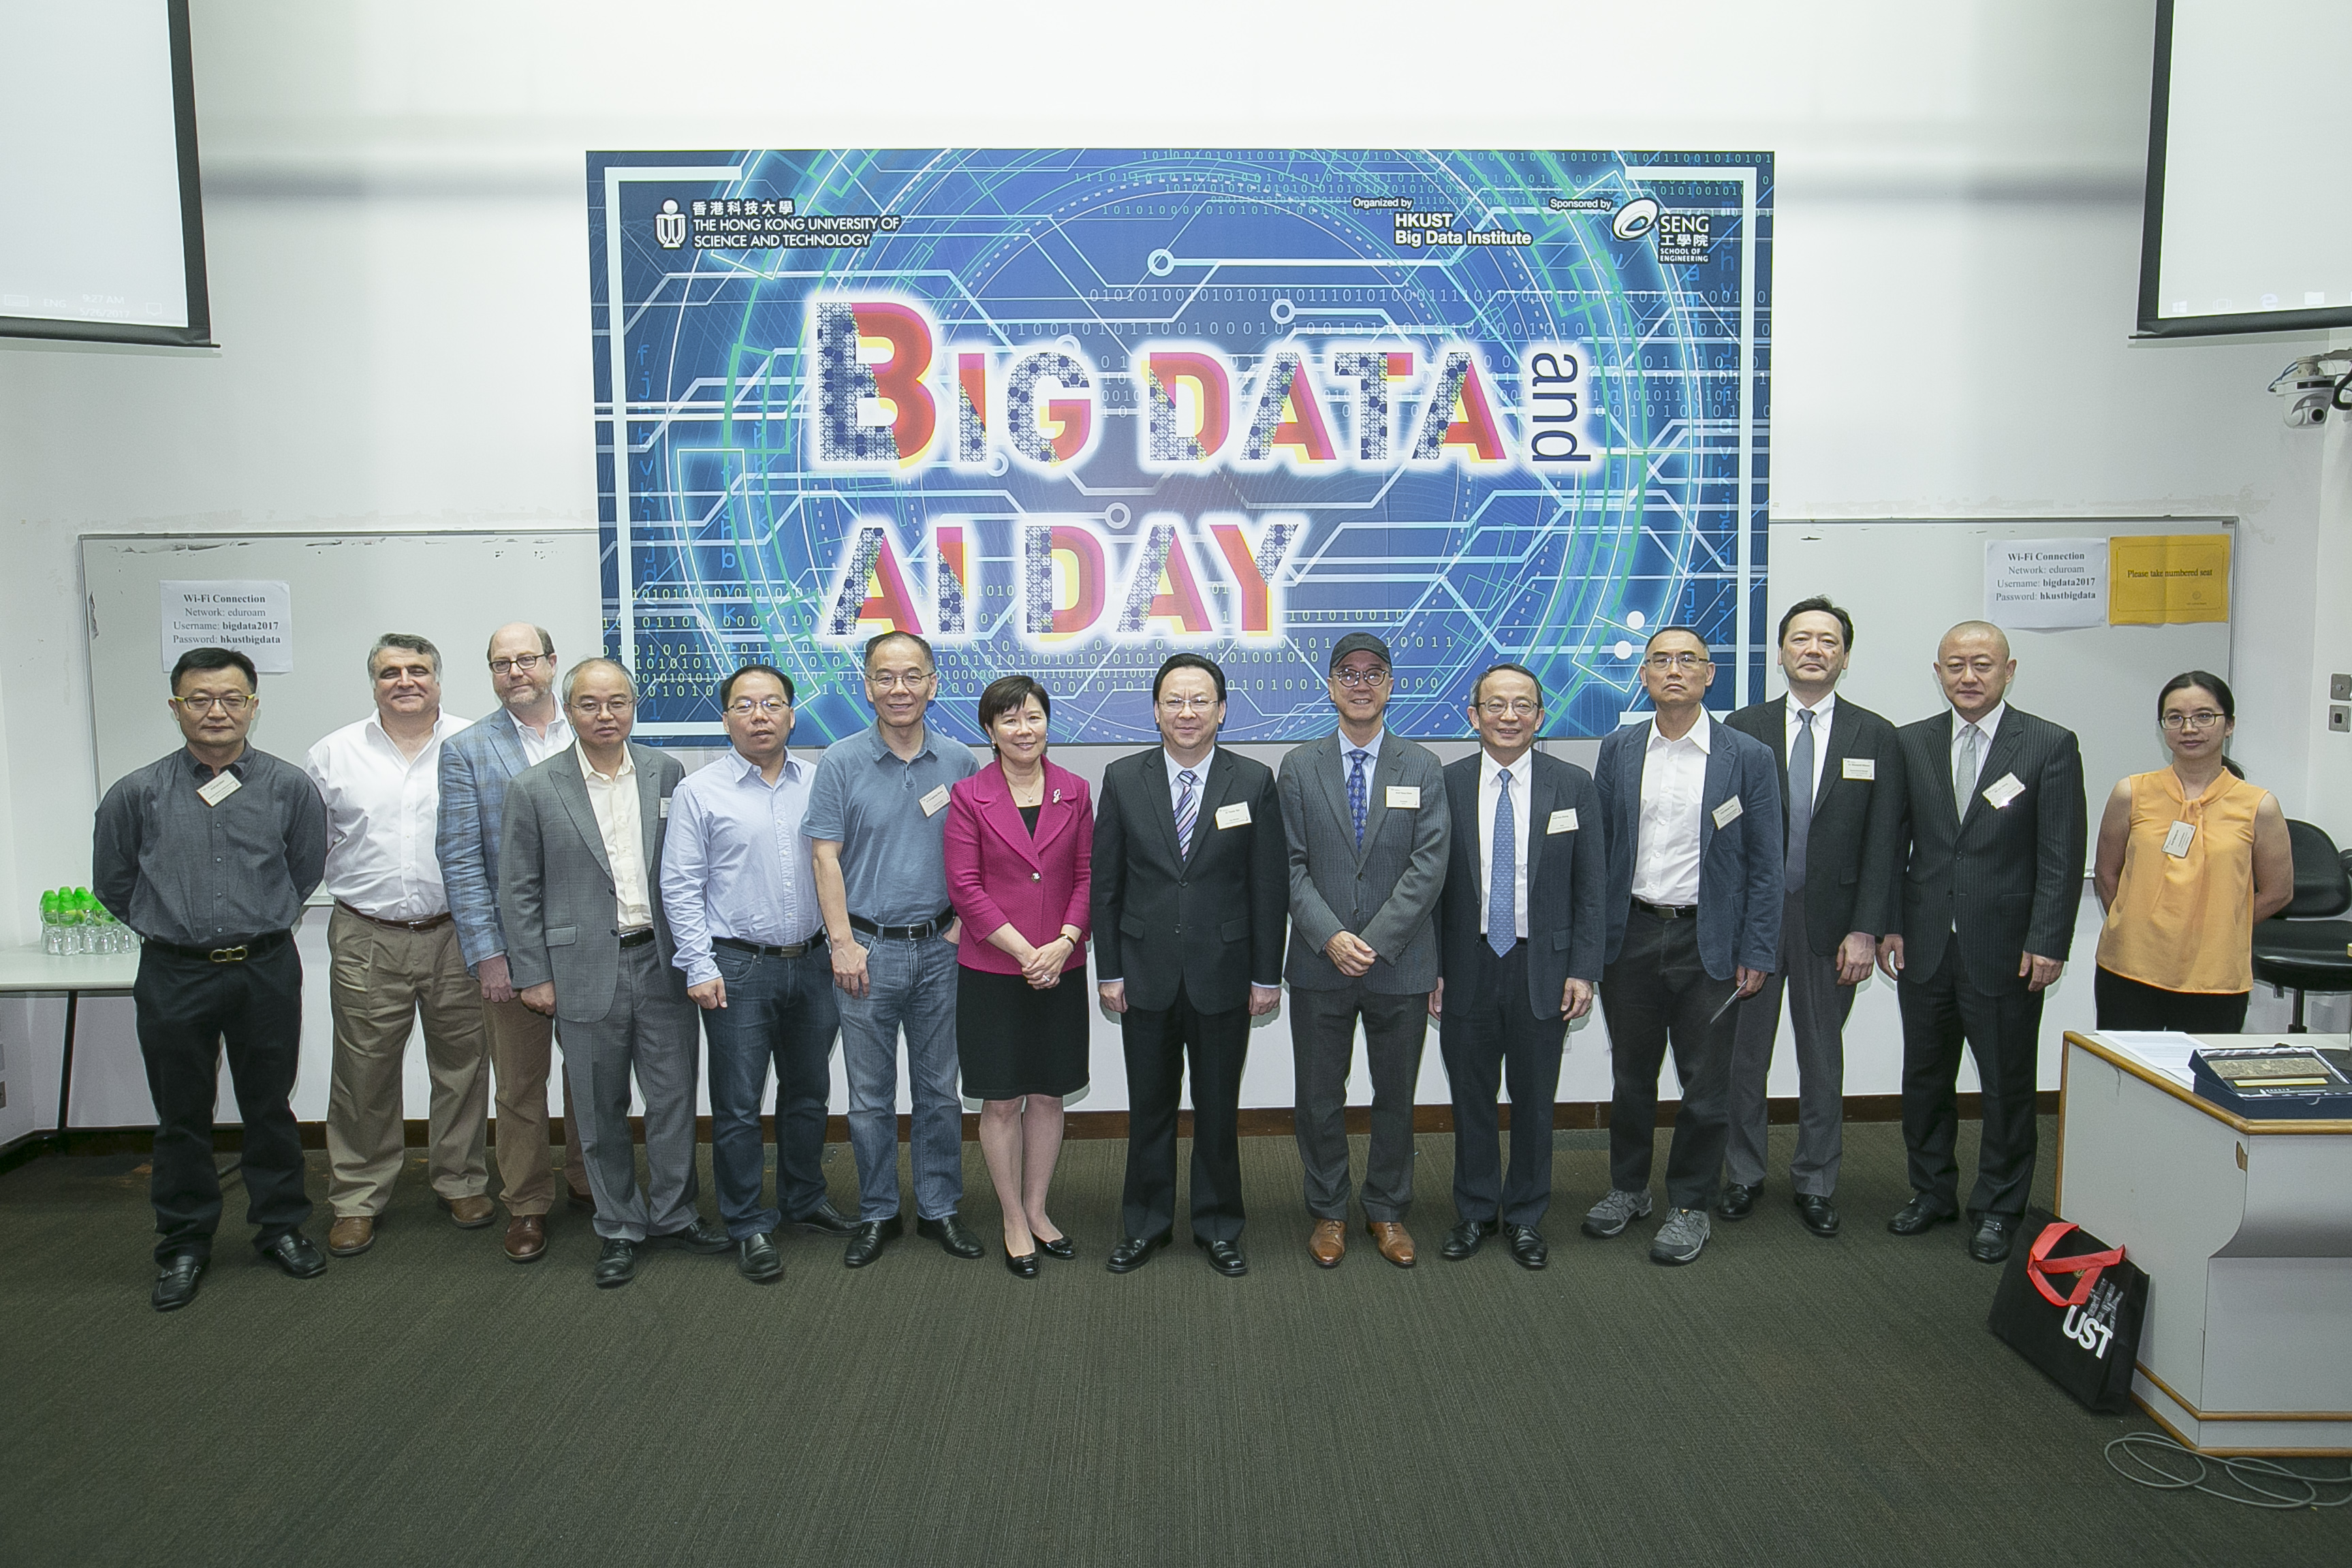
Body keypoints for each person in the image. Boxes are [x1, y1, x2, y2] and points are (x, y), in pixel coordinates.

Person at [92, 646, 330, 1311]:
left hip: (265, 969)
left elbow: (305, 868)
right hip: (174, 972)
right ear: (176, 708)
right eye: (199, 699)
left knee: (269, 1108)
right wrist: (170, 926)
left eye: (232, 697)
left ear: (254, 705)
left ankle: (280, 1227)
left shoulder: (288, 787)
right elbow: (113, 883)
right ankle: (184, 1242)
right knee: (181, 1117)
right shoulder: (136, 792)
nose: (216, 710)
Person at [498, 658, 729, 1287]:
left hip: (662, 963)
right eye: (591, 704)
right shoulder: (535, 788)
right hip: (579, 969)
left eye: (618, 702)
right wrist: (533, 975)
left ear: (634, 707)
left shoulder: (667, 772)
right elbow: (518, 891)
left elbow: (687, 872)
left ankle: (675, 1214)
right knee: (598, 1108)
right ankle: (619, 1226)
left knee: (675, 1097)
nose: (606, 715)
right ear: (569, 711)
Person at [1879, 621, 2086, 1265]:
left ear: (2008, 669)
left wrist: (2049, 940)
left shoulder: (2048, 745)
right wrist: (1889, 922)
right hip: (1924, 944)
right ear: (1936, 672)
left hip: (2006, 947)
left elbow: (2059, 853)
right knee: (1924, 1079)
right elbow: (1891, 845)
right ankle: (1932, 1191)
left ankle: (1998, 1207)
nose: (1968, 677)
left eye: (1982, 665)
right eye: (1954, 666)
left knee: (2005, 1085)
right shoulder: (1909, 743)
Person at [1590, 626, 1782, 1266]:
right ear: (1643, 675)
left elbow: (1765, 864)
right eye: (1660, 660)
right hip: (1633, 936)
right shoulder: (1616, 750)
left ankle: (1690, 1203)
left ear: (1709, 675)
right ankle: (1627, 1189)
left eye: (1687, 660)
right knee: (1630, 1075)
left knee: (1705, 1084)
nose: (1674, 670)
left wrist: (1757, 950)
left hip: (1713, 941)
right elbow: (1602, 856)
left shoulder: (1747, 757)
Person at [1094, 653, 1287, 1276]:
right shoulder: (1123, 778)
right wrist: (1109, 970)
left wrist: (1266, 974)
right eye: (1174, 701)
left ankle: (1218, 1226)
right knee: (1148, 1108)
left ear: (1221, 709)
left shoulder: (1253, 781)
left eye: (1199, 700)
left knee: (1217, 1108)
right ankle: (1144, 1225)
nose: (1186, 712)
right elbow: (1107, 884)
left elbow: (1268, 887)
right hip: (1144, 973)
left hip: (1224, 974)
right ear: (1155, 710)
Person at [661, 663, 853, 1286]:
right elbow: (681, 885)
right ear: (725, 720)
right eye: (744, 706)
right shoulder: (699, 790)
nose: (759, 715)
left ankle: (803, 1198)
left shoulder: (821, 782)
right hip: (736, 967)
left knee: (808, 1094)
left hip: (815, 962)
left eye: (772, 703)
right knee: (739, 1106)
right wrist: (697, 963)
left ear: (792, 714)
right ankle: (747, 1222)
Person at [1719, 598, 1903, 1240]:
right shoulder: (1742, 727)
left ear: (1844, 657)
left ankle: (1816, 1181)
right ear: (1780, 652)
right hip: (1756, 920)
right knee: (1745, 1058)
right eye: (1801, 639)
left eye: (1828, 641)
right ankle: (1742, 1173)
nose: (1814, 650)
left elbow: (1884, 841)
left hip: (1834, 925)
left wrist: (1866, 928)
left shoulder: (1875, 734)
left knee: (1822, 1058)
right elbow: (1724, 832)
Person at [305, 633, 491, 1258]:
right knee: (362, 1073)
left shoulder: (476, 743)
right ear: (374, 683)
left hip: (457, 931)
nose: (404, 681)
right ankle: (356, 1197)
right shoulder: (333, 754)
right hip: (367, 935)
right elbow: (312, 845)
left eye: (418, 670)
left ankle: (461, 1179)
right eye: (390, 672)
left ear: (439, 679)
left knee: (463, 1068)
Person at [805, 631, 983, 1268]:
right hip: (866, 954)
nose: (899, 689)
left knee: (939, 1091)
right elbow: (824, 856)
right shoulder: (840, 762)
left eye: (912, 676)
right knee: (871, 1096)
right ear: (867, 685)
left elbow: (978, 851)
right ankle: (878, 1211)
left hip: (941, 951)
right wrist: (842, 944)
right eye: (886, 677)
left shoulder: (960, 760)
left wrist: (963, 922)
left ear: (933, 684)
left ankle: (939, 1209)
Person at [1276, 631, 1450, 1269]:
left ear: (1390, 684)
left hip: (1399, 963)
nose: (1360, 683)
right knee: (1319, 1096)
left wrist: (1372, 941)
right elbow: (1289, 866)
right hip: (1321, 962)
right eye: (1346, 673)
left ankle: (1385, 1210)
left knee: (1394, 1096)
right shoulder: (1297, 766)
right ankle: (1327, 1211)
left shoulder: (1422, 766)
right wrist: (1331, 936)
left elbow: (1429, 865)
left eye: (1373, 673)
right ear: (1329, 685)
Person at [1429, 663, 1605, 1269]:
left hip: (1544, 969)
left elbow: (1592, 887)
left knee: (1535, 1102)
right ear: (1472, 715)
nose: (1509, 716)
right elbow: (1426, 888)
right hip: (1466, 965)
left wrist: (1583, 969)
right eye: (1495, 705)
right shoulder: (1443, 785)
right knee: (1470, 1099)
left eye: (1522, 705)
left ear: (1540, 715)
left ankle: (1526, 1217)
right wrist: (1432, 968)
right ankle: (1476, 1211)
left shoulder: (1573, 785)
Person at [437, 623, 595, 1264]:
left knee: (591, 1077)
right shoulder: (468, 749)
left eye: (527, 659)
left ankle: (592, 1183)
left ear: (552, 663)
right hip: (513, 949)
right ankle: (527, 1205)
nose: (515, 673)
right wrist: (490, 955)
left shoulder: (594, 730)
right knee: (520, 1087)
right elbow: (461, 860)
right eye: (501, 663)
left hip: (590, 944)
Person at [943, 676, 1093, 1278]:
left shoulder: (1076, 791)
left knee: (1049, 1093)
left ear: (1047, 723)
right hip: (993, 969)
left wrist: (1061, 944)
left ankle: (1038, 1209)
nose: (1022, 730)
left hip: (1061, 967)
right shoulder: (966, 795)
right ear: (989, 731)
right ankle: (1010, 1216)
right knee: (1001, 1100)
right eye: (1008, 720)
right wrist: (1024, 950)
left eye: (1032, 717)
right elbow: (965, 887)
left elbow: (1087, 877)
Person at [2091, 672, 2292, 1033]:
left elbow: (2278, 892)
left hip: (2214, 975)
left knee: (2197, 1086)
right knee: (2128, 1081)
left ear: (2229, 725)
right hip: (2129, 968)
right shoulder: (2131, 793)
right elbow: (2106, 873)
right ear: (2163, 727)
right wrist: (2132, 923)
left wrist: (2224, 926)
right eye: (2175, 718)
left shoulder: (2258, 806)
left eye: (2204, 716)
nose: (2189, 728)